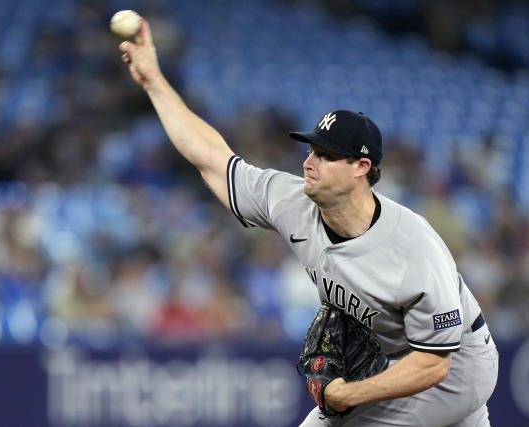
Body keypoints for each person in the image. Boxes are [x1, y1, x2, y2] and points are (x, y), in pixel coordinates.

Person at [119, 16, 499, 427]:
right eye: (311, 150)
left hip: (454, 366)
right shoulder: (292, 201)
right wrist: (154, 80)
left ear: (361, 167)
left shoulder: (413, 247)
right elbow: (211, 158)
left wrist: (346, 394)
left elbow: (434, 364)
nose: (309, 162)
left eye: (325, 155)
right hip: (400, 359)